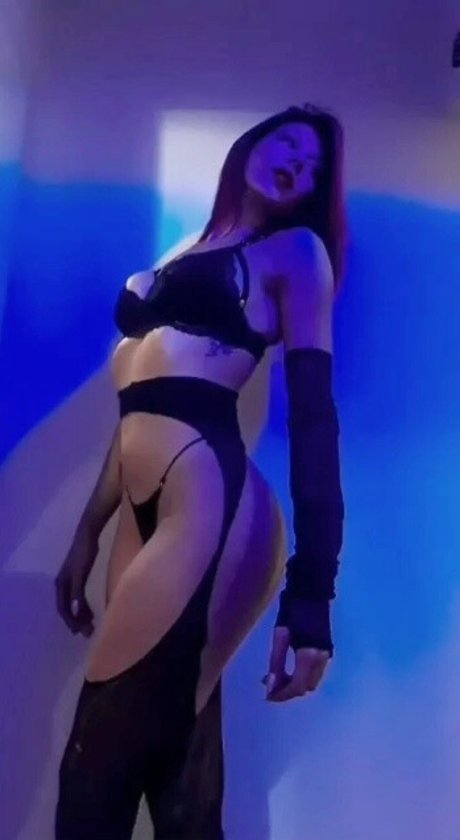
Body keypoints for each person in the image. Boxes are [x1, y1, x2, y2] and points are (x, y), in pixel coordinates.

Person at [54, 103, 346, 840]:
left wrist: (311, 595)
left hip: (210, 500)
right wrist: (86, 532)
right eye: (289, 143)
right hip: (141, 512)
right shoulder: (184, 250)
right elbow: (137, 411)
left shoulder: (295, 253)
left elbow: (314, 418)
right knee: (175, 769)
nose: (298, 163)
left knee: (96, 768)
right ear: (252, 145)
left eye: (313, 167)